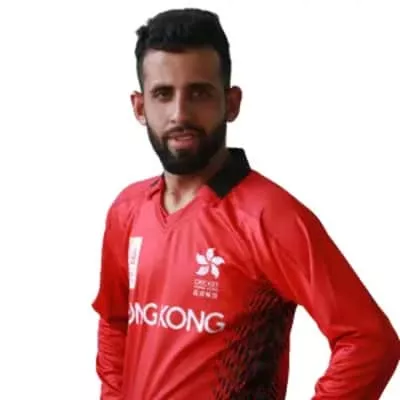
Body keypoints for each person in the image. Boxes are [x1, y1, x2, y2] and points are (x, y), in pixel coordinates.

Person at [92, 8, 399, 400]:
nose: (180, 113)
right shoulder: (127, 210)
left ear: (231, 102)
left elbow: (369, 342)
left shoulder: (271, 217)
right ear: (139, 107)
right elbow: (115, 323)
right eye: (163, 94)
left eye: (199, 93)